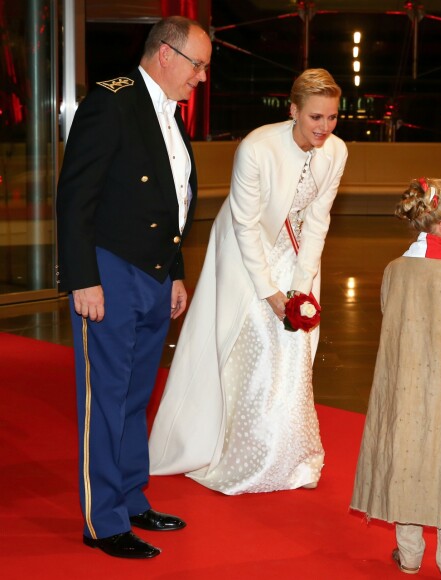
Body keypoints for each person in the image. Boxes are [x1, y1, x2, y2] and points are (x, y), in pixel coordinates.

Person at [148, 68, 348, 495]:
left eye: (331, 118)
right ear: (293, 110)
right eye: (316, 118)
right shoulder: (257, 147)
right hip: (246, 249)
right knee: (253, 341)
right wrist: (270, 293)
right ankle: (242, 454)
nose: (324, 128)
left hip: (296, 252)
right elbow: (245, 224)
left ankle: (290, 456)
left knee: (296, 344)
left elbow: (317, 220)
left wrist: (300, 286)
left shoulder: (337, 152)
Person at [56, 16, 212, 559]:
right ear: (166, 54)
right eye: (198, 64)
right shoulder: (112, 101)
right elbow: (76, 197)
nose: (202, 78)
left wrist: (176, 272)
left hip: (152, 274)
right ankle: (103, 520)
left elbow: (172, 200)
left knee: (136, 395)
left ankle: (130, 496)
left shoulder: (168, 113)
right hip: (110, 272)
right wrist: (83, 279)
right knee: (107, 398)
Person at [350, 178, 441, 580]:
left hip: (400, 388)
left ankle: (410, 555)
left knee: (407, 462)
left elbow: (390, 319)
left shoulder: (394, 269)